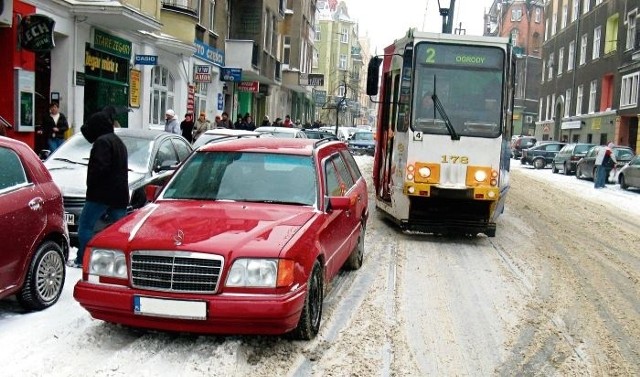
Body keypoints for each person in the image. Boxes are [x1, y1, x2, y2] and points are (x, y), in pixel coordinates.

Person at [71, 106, 129, 268]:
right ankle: (120, 262)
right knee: (118, 232)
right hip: (119, 196)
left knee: (85, 225)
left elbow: (99, 169)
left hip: (100, 195)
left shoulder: (102, 142)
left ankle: (83, 259)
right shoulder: (118, 142)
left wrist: (92, 186)